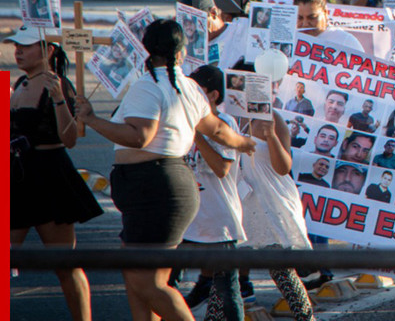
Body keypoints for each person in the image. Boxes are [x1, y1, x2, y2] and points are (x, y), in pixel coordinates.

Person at [74, 19, 256, 321]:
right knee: (136, 276)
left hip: (156, 187)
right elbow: (220, 132)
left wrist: (92, 119)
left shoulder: (149, 86)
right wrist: (244, 143)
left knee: (150, 282)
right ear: (181, 52)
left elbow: (140, 136)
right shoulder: (188, 88)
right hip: (154, 188)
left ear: (148, 49)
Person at [8, 29, 101, 321]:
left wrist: (60, 99)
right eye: (16, 46)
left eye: (26, 46)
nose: (18, 52)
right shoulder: (20, 83)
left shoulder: (58, 85)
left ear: (47, 50)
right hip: (17, 176)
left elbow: (71, 138)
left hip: (50, 176)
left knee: (64, 264)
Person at [174, 66, 246, 319]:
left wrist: (197, 134)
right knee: (164, 281)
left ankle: (205, 290)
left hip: (217, 220)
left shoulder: (224, 124)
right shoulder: (182, 121)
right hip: (185, 217)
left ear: (213, 95)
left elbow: (221, 168)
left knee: (228, 290)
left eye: (196, 92)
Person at [237, 97, 317, 319]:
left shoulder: (274, 119)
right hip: (247, 204)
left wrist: (271, 135)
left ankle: (307, 318)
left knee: (280, 269)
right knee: (225, 272)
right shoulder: (234, 119)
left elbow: (284, 167)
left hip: (274, 202)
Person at [294, 0, 361, 50]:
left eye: (312, 17)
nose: (305, 24)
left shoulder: (346, 41)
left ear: (325, 13)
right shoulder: (290, 40)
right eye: (300, 18)